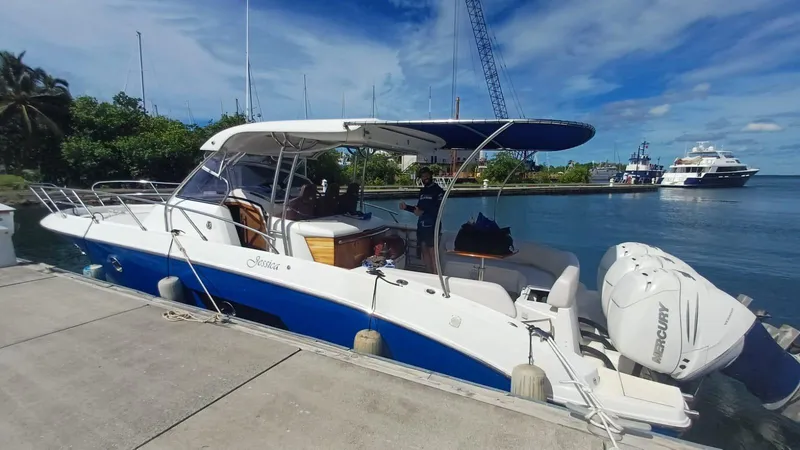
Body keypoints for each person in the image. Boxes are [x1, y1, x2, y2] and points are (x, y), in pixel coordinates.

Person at [399, 167, 444, 274]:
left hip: (433, 226)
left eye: (427, 175)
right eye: (423, 176)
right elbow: (418, 209)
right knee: (424, 254)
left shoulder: (439, 191)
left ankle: (437, 278)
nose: (425, 178)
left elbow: (438, 209)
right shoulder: (422, 191)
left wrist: (423, 212)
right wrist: (406, 207)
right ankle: (429, 276)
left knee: (433, 255)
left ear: (431, 175)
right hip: (422, 227)